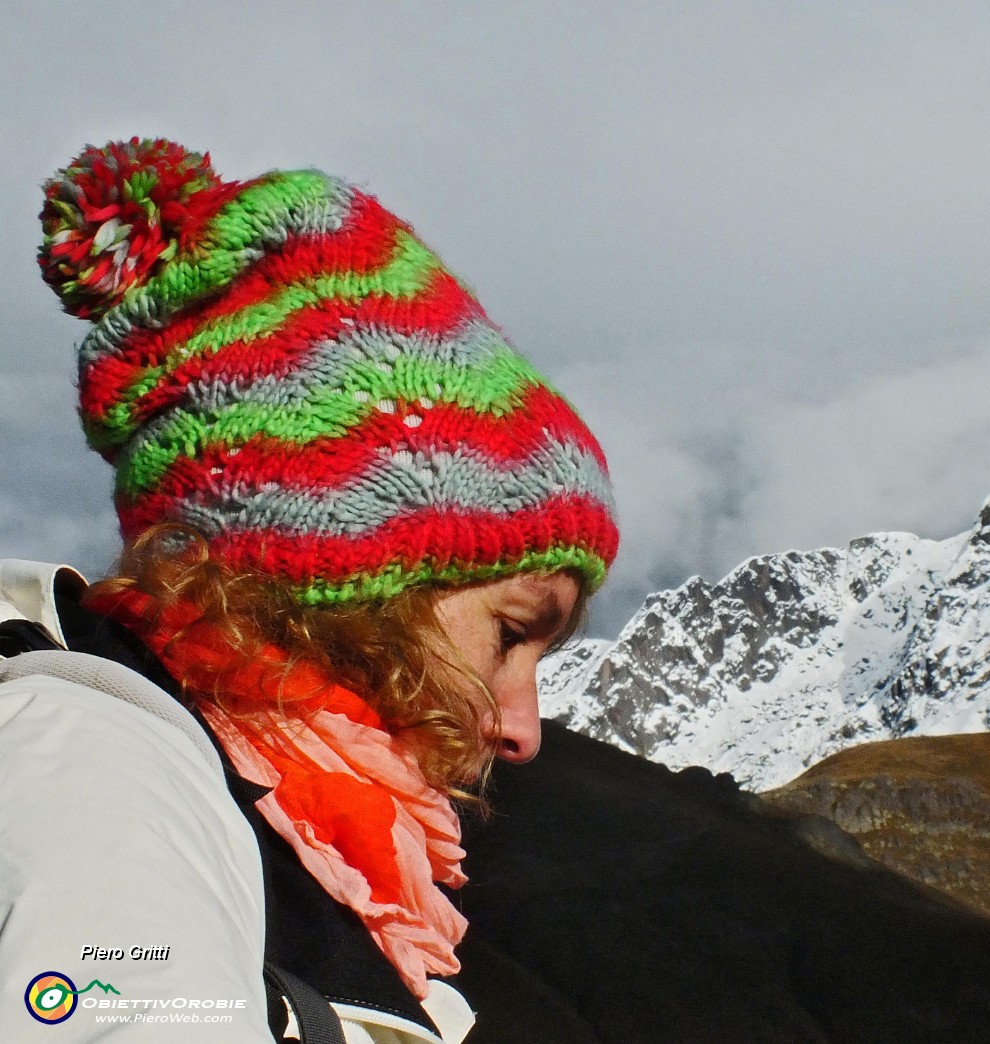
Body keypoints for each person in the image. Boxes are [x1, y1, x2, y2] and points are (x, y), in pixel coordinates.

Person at [0, 137, 618, 1043]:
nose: (523, 728)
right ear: (344, 580)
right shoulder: (104, 783)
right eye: (512, 631)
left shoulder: (261, 823)